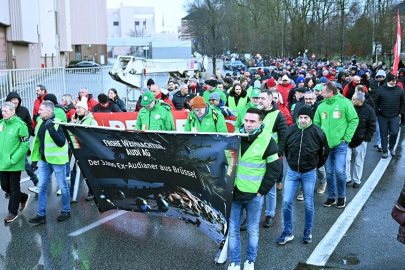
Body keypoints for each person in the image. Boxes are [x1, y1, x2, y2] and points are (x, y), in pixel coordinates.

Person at [228, 108, 281, 270]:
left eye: (252, 121)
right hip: (234, 193)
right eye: (246, 121)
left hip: (254, 195)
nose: (248, 124)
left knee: (252, 230)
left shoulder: (268, 140)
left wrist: (262, 191)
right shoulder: (234, 137)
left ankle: (250, 261)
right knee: (233, 230)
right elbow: (226, 162)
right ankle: (235, 262)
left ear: (260, 122)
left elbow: (275, 169)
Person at [276, 105, 329, 245]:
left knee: (308, 203)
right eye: (300, 117)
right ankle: (287, 232)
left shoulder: (318, 132)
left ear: (310, 118)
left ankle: (307, 232)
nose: (303, 120)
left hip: (309, 172)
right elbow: (286, 148)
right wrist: (292, 161)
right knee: (286, 201)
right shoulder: (291, 130)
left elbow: (324, 153)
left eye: (306, 118)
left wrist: (314, 165)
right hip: (292, 172)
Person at [314, 82, 359, 209]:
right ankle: (331, 197)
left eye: (323, 92)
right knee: (329, 172)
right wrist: (319, 139)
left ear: (331, 92)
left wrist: (346, 138)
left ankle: (341, 196)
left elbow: (354, 120)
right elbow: (316, 123)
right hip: (326, 146)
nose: (321, 94)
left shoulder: (345, 103)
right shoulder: (321, 106)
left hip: (340, 144)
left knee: (340, 171)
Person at [29, 101, 71, 224]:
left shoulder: (58, 123)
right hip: (44, 161)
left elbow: (61, 142)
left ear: (49, 111)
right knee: (41, 186)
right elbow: (37, 143)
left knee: (63, 186)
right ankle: (41, 214)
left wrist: (51, 128)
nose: (39, 112)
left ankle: (66, 210)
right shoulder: (40, 123)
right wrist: (35, 160)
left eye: (41, 110)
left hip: (57, 161)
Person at [1, 92, 38, 193]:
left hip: (20, 145)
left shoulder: (24, 111)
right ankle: (11, 190)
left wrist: (25, 136)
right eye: (12, 100)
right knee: (6, 175)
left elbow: (30, 125)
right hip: (7, 146)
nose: (15, 102)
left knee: (25, 164)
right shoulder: (3, 113)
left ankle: (35, 181)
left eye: (16, 100)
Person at [0, 102, 31, 223]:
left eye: (6, 111)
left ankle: (12, 212)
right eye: (2, 111)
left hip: (14, 163)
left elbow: (25, 144)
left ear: (13, 112)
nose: (3, 113)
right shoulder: (1, 124)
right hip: (3, 163)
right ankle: (23, 197)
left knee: (13, 187)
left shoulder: (20, 125)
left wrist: (13, 159)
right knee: (4, 186)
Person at [346, 92, 376, 188]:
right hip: (348, 138)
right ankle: (347, 178)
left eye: (353, 99)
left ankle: (357, 180)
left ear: (360, 101)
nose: (351, 100)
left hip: (361, 139)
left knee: (359, 161)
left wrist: (366, 139)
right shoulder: (349, 107)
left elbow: (372, 126)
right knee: (345, 160)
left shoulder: (369, 110)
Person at [70, 100, 98, 202]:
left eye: (79, 108)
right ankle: (72, 193)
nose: (77, 110)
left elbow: (94, 136)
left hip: (86, 152)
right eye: (76, 108)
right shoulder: (75, 120)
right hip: (76, 151)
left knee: (88, 174)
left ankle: (92, 192)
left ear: (85, 109)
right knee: (73, 173)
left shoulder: (91, 121)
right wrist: (71, 123)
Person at [374, 73, 405, 158]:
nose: (394, 82)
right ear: (388, 81)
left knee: (394, 132)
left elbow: (403, 102)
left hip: (395, 115)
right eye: (392, 81)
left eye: (395, 80)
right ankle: (385, 151)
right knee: (383, 134)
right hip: (382, 116)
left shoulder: (399, 90)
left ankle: (391, 147)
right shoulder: (381, 90)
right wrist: (377, 112)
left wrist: (401, 112)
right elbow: (376, 102)